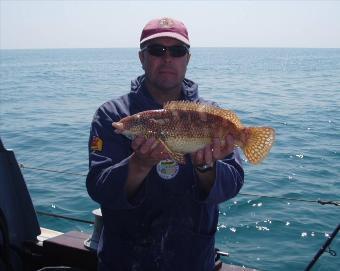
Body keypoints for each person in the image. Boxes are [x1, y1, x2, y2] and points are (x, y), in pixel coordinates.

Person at [86, 17, 244, 271]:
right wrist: (138, 165)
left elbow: (233, 184)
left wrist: (206, 168)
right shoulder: (112, 115)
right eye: (157, 50)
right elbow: (98, 188)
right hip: (125, 261)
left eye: (177, 51)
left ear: (188, 59)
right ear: (141, 57)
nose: (167, 58)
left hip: (192, 260)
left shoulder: (211, 115)